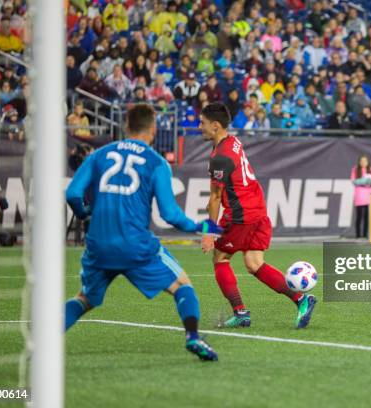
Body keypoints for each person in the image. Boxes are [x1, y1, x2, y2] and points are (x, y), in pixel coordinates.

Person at [64, 104, 220, 361]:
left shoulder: (99, 154)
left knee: (84, 299)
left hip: (99, 244)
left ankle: (40, 343)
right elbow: (170, 215)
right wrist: (202, 226)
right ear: (154, 129)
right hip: (135, 244)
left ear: (126, 127)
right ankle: (192, 336)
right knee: (182, 286)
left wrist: (83, 213)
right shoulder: (157, 162)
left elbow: (72, 194)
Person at [198, 102, 317, 329]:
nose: (199, 126)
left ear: (215, 126)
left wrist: (208, 232)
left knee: (220, 258)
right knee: (254, 264)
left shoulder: (220, 157)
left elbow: (215, 198)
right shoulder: (233, 142)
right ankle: (302, 299)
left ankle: (241, 312)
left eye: (202, 123)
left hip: (240, 215)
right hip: (257, 209)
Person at [350, 155, 371, 239]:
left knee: (367, 216)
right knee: (359, 215)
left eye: (365, 161)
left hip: (369, 194)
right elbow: (353, 181)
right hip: (359, 193)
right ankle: (358, 235)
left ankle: (365, 235)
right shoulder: (355, 169)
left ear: (367, 162)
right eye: (361, 161)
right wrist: (363, 180)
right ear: (359, 162)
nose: (363, 162)